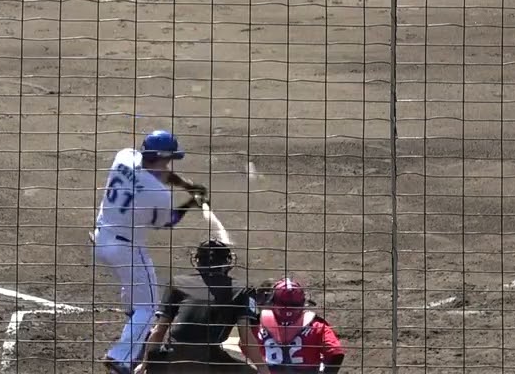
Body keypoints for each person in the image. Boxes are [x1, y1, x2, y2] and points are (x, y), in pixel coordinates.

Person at [93, 130, 210, 374]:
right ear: (164, 157)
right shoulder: (158, 194)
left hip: (101, 237)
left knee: (133, 286)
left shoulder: (124, 156)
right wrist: (191, 201)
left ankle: (133, 320)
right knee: (149, 307)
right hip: (127, 249)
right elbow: (168, 222)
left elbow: (158, 172)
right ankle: (121, 358)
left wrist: (187, 186)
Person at [133, 239, 269, 374]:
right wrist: (263, 369)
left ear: (197, 260)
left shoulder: (177, 283)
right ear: (227, 262)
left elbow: (158, 331)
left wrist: (144, 364)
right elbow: (246, 339)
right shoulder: (242, 289)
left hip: (173, 356)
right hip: (208, 357)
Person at [248, 278, 345, 373]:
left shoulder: (258, 325)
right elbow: (336, 353)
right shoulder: (316, 325)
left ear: (273, 302)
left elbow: (246, 347)